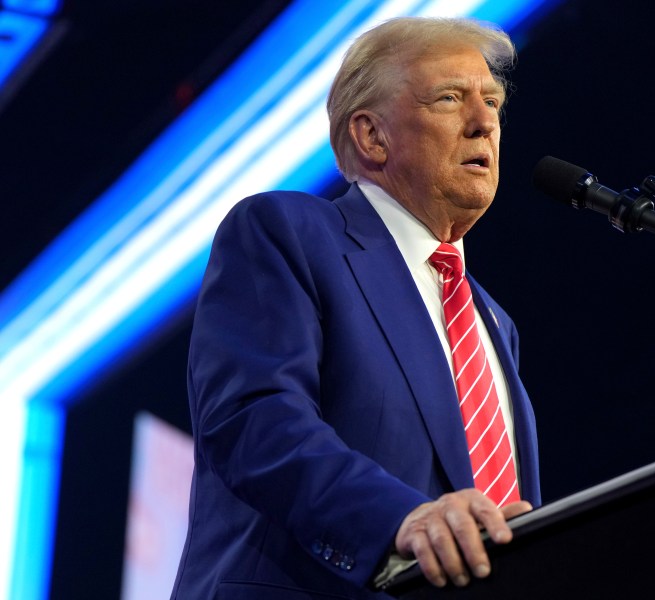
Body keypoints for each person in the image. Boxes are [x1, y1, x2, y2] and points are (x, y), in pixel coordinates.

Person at [170, 16, 540, 600]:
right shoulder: (287, 232)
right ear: (371, 136)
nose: (483, 123)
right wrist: (398, 519)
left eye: (491, 101)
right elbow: (253, 420)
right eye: (450, 98)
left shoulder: (494, 322)